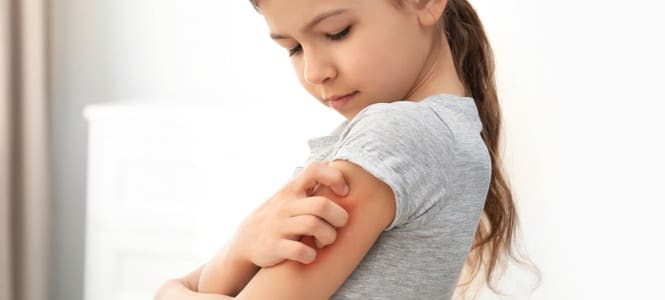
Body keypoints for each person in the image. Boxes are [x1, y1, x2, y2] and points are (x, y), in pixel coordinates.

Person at [155, 0, 536, 299]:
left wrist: (172, 288)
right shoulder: (449, 133)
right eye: (293, 48)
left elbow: (207, 286)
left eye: (336, 32)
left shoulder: (399, 136)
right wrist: (238, 250)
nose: (314, 72)